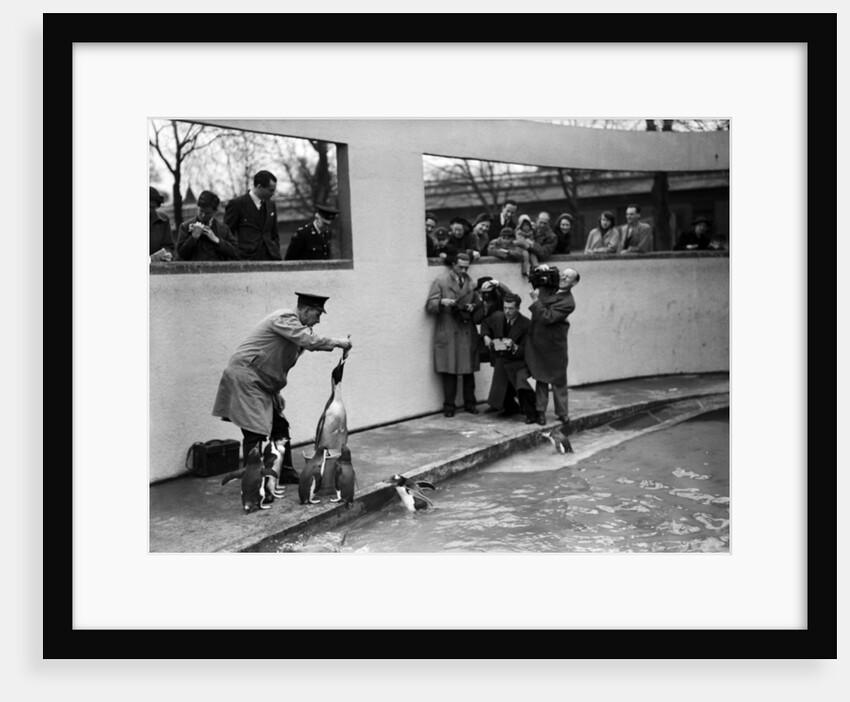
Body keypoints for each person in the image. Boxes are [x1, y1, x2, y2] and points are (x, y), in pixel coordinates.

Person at [212, 293, 353, 479]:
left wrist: (275, 391)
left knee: (280, 427)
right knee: (254, 430)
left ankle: (285, 472)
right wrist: (337, 342)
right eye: (317, 314)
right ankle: (251, 480)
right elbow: (309, 342)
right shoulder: (285, 318)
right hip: (246, 378)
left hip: (262, 383)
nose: (318, 320)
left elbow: (276, 361)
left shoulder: (297, 328)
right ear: (305, 309)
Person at [425, 252, 484, 417]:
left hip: (466, 328)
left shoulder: (471, 283)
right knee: (449, 370)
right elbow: (430, 305)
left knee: (468, 370)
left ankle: (470, 403)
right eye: (460, 267)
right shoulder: (441, 282)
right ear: (453, 265)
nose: (463, 270)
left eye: (466, 267)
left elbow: (479, 302)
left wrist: (473, 306)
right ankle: (449, 406)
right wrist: (442, 302)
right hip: (449, 328)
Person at [525, 265, 580, 426]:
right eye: (562, 275)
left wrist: (535, 301)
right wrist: (540, 268)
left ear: (574, 283)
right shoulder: (549, 285)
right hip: (539, 341)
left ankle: (562, 413)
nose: (563, 278)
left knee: (558, 380)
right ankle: (540, 412)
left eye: (568, 278)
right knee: (541, 379)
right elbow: (533, 278)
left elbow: (547, 317)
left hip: (555, 345)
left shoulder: (568, 302)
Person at [480, 293, 536, 422]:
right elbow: (485, 323)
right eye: (505, 308)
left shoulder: (526, 324)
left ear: (518, 308)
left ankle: (531, 413)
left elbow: (528, 350)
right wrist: (486, 336)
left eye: (511, 309)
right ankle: (510, 408)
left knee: (520, 382)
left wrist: (514, 347)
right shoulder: (498, 316)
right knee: (499, 383)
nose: (507, 312)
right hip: (502, 358)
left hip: (519, 362)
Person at [224, 170, 282, 261]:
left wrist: (276, 251)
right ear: (259, 187)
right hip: (247, 260)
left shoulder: (271, 205)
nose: (273, 193)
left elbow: (274, 233)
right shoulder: (237, 204)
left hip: (271, 258)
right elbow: (227, 233)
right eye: (271, 190)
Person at [175, 190, 239, 261]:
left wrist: (217, 240)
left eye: (208, 213)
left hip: (218, 270)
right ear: (198, 207)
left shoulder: (224, 229)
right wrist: (193, 238)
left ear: (215, 211)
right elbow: (181, 255)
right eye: (201, 211)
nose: (203, 215)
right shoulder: (185, 227)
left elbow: (236, 253)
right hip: (194, 270)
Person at [149, 186, 174, 262]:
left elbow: (168, 245)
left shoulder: (163, 220)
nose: (149, 210)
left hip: (158, 267)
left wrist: (168, 253)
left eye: (152, 207)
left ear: (157, 206)